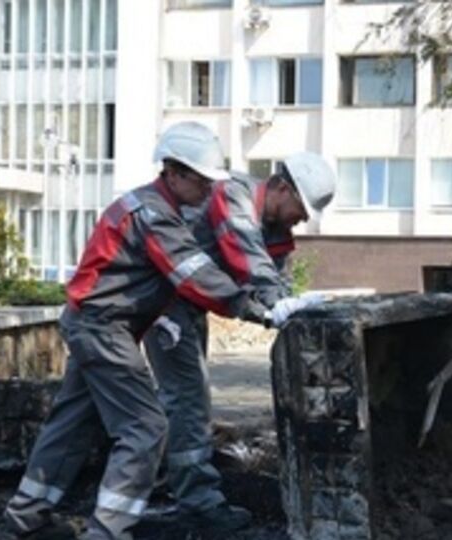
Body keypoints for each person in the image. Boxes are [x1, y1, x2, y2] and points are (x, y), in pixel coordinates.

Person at [3, 122, 318, 540]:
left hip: (97, 323)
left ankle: (27, 517)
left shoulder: (157, 208)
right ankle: (109, 531)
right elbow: (194, 272)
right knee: (146, 427)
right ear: (174, 172)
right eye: (203, 182)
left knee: (74, 421)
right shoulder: (154, 215)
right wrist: (261, 311)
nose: (210, 191)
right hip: (103, 327)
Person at [141, 152, 335, 532]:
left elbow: (273, 283)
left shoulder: (275, 229)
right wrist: (279, 307)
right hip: (162, 300)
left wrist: (292, 310)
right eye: (301, 208)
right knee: (188, 397)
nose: (302, 219)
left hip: (189, 304)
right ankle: (196, 502)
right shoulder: (234, 196)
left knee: (184, 398)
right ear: (281, 187)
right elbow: (250, 263)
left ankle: (166, 485)